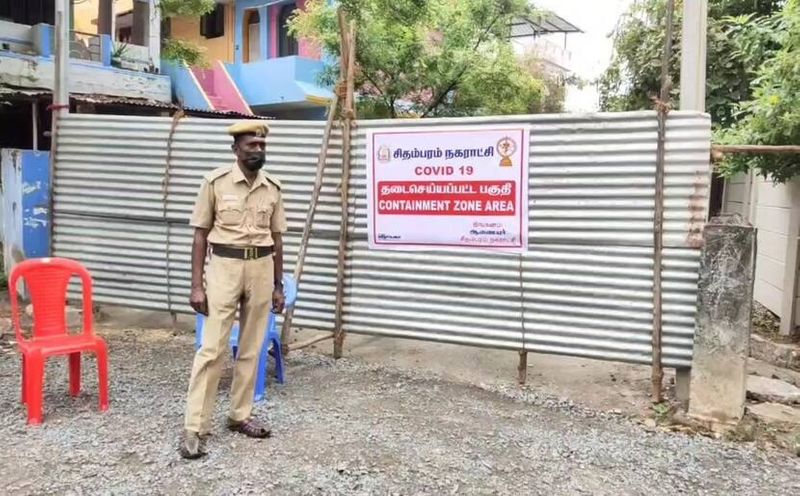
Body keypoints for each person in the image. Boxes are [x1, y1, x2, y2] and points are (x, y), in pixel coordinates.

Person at [180, 121, 287, 459]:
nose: (257, 150)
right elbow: (200, 235)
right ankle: (194, 427)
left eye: (261, 145)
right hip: (223, 268)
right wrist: (197, 285)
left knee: (252, 348)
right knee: (211, 348)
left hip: (262, 268)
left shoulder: (273, 188)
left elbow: (278, 238)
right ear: (235, 149)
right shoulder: (214, 182)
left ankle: (240, 415)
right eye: (251, 145)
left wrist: (278, 285)